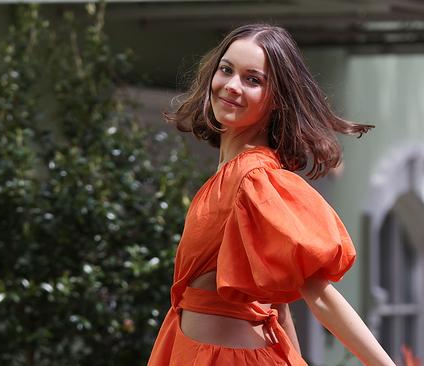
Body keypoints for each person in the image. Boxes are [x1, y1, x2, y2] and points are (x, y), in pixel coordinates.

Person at [147, 24, 396, 366]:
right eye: (226, 70)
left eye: (253, 79)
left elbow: (319, 294)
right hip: (197, 352)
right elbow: (277, 302)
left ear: (276, 99)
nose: (232, 86)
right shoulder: (232, 172)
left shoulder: (255, 177)